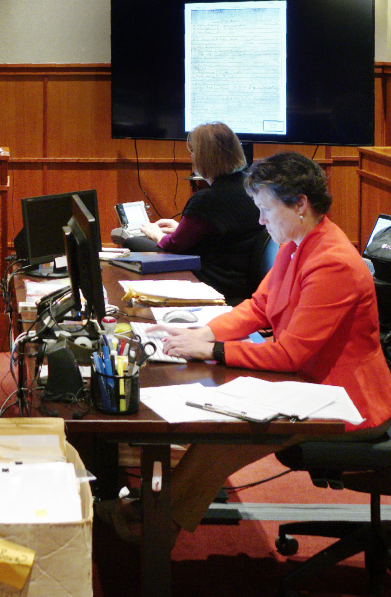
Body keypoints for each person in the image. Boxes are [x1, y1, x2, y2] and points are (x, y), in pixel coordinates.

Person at [109, 152, 391, 546]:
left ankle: (155, 528)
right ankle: (157, 518)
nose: (260, 220)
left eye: (265, 209)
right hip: (310, 385)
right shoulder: (298, 243)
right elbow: (258, 307)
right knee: (221, 429)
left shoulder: (333, 261)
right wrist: (205, 333)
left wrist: (217, 350)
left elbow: (291, 354)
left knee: (229, 436)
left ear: (299, 205)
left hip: (345, 403)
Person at [123, 122, 266, 303]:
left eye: (193, 152)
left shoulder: (207, 198)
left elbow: (172, 246)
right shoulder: (252, 186)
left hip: (212, 278)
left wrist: (156, 234)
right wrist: (180, 227)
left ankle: (142, 301)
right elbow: (222, 230)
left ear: (203, 158)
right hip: (241, 279)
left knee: (133, 241)